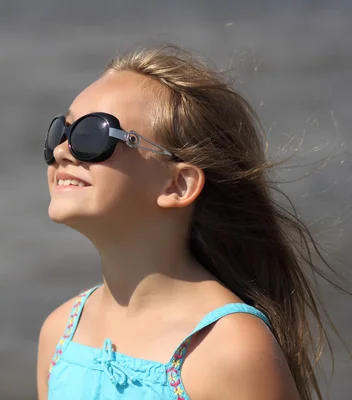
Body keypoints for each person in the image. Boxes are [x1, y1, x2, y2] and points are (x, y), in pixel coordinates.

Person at [36, 45, 348, 400]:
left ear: (177, 184)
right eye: (61, 131)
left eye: (92, 135)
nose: (62, 150)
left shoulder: (229, 348)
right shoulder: (61, 333)